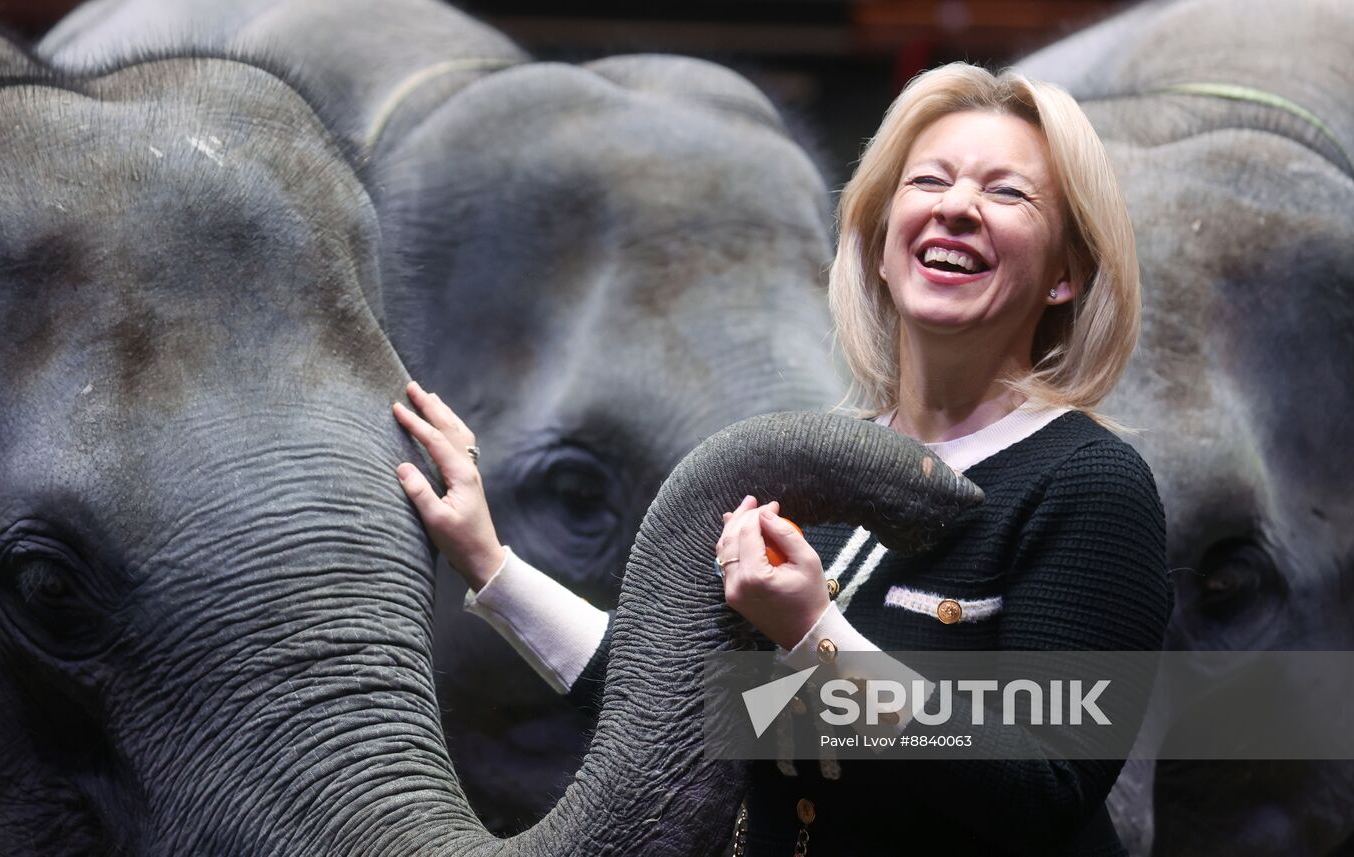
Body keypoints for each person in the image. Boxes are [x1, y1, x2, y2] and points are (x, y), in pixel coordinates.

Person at [391, 61, 1171, 856]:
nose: (957, 207)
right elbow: (670, 711)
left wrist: (814, 632)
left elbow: (1045, 792)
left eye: (1007, 193)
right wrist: (488, 558)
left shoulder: (1091, 486)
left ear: (1067, 274)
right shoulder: (826, 466)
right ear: (876, 238)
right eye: (929, 180)